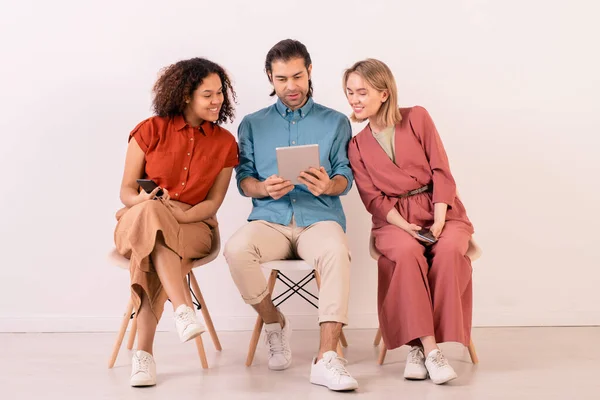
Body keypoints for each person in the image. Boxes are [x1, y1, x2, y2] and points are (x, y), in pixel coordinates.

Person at [224, 39, 358, 392]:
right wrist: (264, 189)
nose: (291, 86)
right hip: (271, 219)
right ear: (270, 77)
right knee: (237, 250)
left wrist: (328, 185)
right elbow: (244, 180)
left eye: (297, 76)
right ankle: (274, 322)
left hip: (319, 218)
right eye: (282, 79)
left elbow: (346, 176)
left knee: (334, 251)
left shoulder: (336, 121)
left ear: (310, 71)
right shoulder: (253, 124)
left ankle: (327, 358)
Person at [345, 58, 474, 385]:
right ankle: (430, 350)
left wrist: (440, 218)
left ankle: (416, 346)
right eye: (349, 93)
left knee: (447, 254)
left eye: (362, 92)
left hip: (442, 209)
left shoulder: (417, 117)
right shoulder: (356, 145)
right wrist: (404, 226)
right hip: (392, 220)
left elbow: (441, 170)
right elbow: (372, 198)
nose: (354, 100)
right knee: (405, 254)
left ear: (384, 93)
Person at [114, 58, 239, 387]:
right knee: (152, 216)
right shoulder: (149, 130)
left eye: (220, 93)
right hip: (139, 217)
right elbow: (126, 191)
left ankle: (144, 355)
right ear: (186, 95)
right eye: (207, 94)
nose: (217, 101)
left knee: (152, 253)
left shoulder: (225, 143)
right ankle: (183, 308)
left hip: (193, 225)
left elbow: (212, 203)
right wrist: (145, 202)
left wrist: (181, 214)